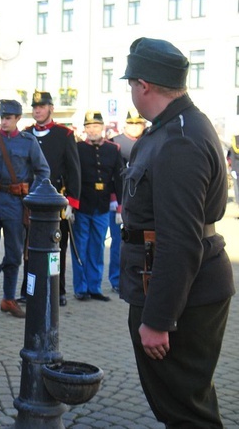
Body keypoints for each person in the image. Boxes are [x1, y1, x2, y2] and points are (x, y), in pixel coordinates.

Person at [120, 37, 234, 427]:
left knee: (186, 412)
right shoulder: (172, 128)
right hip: (178, 286)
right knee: (186, 402)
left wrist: (158, 319)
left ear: (143, 85)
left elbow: (181, 241)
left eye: (131, 83)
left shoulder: (179, 140)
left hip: (180, 296)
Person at [0, 99, 49, 320]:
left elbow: (43, 170)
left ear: (17, 119)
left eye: (9, 118)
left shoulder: (28, 141)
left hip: (17, 204)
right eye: (2, 118)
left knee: (14, 253)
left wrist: (30, 195)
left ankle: (8, 299)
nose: (4, 122)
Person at [21, 91, 81, 307]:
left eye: (42, 106)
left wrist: (72, 203)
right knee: (29, 247)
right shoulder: (26, 134)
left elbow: (74, 170)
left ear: (50, 108)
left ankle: (58, 289)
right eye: (35, 107)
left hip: (57, 200)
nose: (37, 110)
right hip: (30, 200)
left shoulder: (64, 134)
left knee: (57, 247)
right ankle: (29, 288)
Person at [72, 110, 123, 302]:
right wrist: (71, 203)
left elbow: (118, 179)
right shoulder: (77, 148)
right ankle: (81, 287)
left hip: (102, 205)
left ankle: (94, 287)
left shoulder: (113, 149)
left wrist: (119, 207)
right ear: (84, 129)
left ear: (102, 128)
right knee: (80, 247)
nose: (92, 130)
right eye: (88, 127)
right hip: (82, 203)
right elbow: (73, 177)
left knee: (98, 247)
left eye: (95, 126)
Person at [107, 107, 146, 293]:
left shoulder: (147, 141)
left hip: (141, 201)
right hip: (120, 200)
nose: (135, 127)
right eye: (131, 123)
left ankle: (137, 276)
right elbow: (111, 175)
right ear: (125, 124)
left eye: (138, 123)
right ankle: (116, 279)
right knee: (117, 242)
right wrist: (115, 200)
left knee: (138, 243)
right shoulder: (115, 143)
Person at [228, 134, 239, 207]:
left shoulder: (233, 147)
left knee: (237, 188)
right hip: (235, 169)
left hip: (235, 169)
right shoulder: (232, 147)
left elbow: (230, 157)